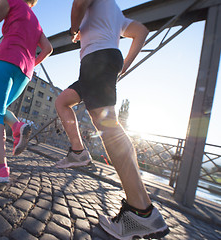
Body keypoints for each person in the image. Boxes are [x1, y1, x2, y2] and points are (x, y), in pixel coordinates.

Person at [54, 0, 169, 239]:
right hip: (95, 63)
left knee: (108, 126)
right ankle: (79, 152)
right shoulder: (114, 12)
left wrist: (73, 30)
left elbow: (79, 4)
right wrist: (124, 64)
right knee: (62, 102)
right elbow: (140, 31)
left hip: (97, 59)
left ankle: (141, 212)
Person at [0, 0, 53, 183]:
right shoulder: (36, 21)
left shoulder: (10, 1)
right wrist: (31, 63)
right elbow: (48, 49)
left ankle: (0, 169)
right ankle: (17, 126)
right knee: (1, 108)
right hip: (25, 72)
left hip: (6, 58)